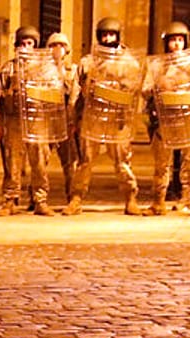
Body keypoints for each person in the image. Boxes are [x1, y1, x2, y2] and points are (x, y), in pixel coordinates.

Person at [69, 18, 142, 215]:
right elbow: (78, 89)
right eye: (104, 35)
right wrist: (74, 116)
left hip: (117, 118)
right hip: (92, 117)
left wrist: (114, 89)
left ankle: (130, 196)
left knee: (122, 161)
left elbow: (133, 89)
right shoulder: (88, 61)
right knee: (85, 160)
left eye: (111, 35)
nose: (108, 38)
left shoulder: (129, 63)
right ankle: (76, 197)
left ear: (118, 36)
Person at [0, 25, 63, 216]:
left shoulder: (46, 69)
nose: (26, 47)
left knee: (39, 162)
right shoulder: (9, 68)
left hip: (37, 121)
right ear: (16, 46)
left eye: (30, 43)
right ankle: (10, 200)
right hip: (14, 121)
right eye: (22, 44)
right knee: (13, 162)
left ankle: (40, 200)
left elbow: (55, 94)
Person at [143, 22, 190, 215]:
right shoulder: (157, 65)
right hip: (165, 119)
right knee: (161, 163)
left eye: (179, 40)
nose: (176, 44)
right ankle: (158, 201)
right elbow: (145, 89)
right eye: (172, 40)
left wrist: (182, 89)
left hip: (186, 118)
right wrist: (159, 89)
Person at [46, 32, 80, 207]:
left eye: (61, 46)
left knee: (70, 162)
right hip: (46, 120)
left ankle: (72, 196)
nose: (57, 49)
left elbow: (75, 94)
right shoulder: (42, 69)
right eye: (53, 45)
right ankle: (37, 198)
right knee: (41, 160)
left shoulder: (72, 70)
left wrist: (73, 120)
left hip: (65, 119)